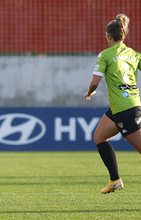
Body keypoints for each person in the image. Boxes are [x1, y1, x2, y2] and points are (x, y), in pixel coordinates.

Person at [85, 14, 141, 193]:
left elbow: (95, 82)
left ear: (109, 36)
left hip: (126, 110)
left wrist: (89, 92)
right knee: (99, 137)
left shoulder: (106, 55)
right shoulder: (133, 54)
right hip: (123, 106)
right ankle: (115, 180)